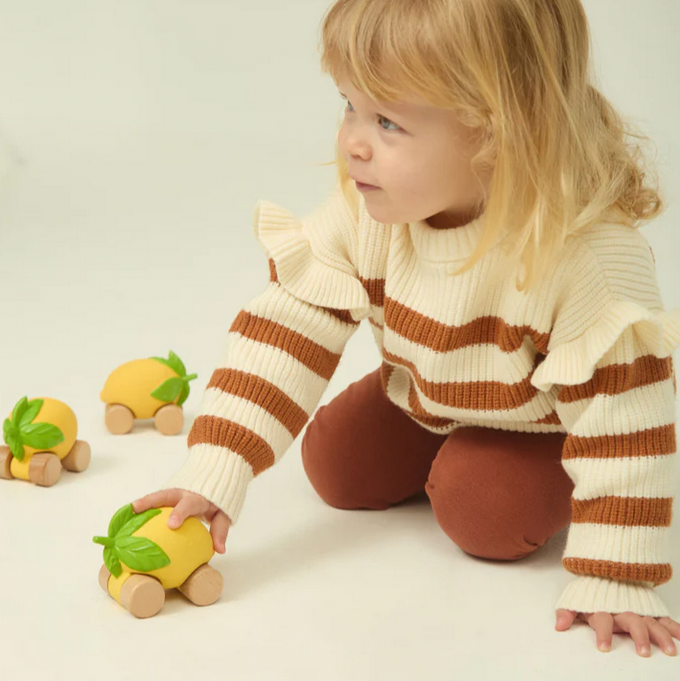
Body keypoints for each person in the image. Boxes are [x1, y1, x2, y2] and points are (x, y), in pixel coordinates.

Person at [133, 0, 680, 656]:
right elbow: (285, 326)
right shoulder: (369, 213)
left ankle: (488, 469)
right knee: (333, 465)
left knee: (481, 510)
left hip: (542, 423)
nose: (353, 143)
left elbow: (625, 412)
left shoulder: (579, 255)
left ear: (498, 130)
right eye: (349, 106)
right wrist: (214, 466)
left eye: (388, 121)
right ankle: (440, 442)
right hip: (426, 396)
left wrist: (616, 570)